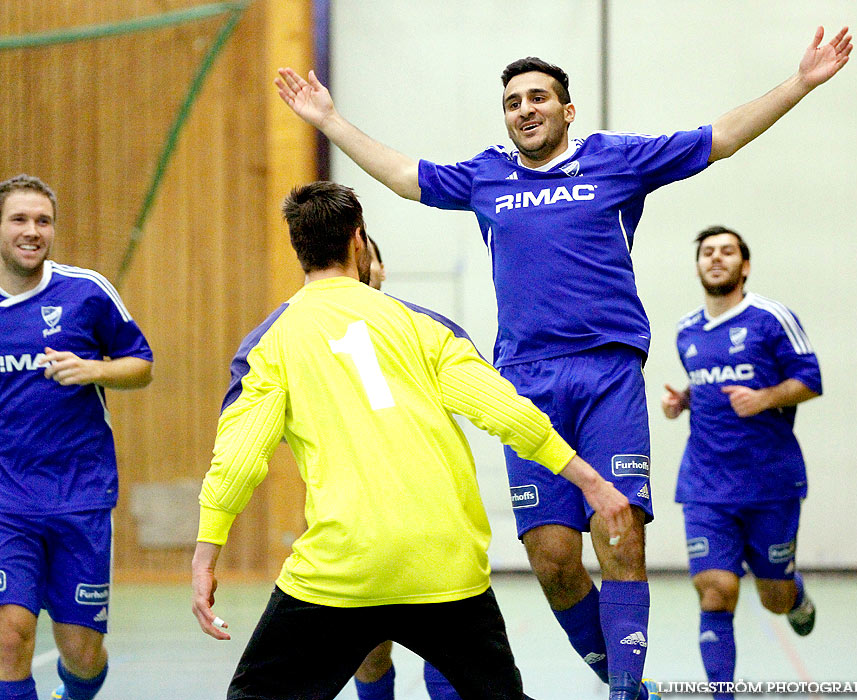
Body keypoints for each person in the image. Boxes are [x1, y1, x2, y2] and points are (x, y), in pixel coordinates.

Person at [273, 25, 851, 700]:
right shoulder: (486, 175)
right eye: (513, 101)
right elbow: (404, 177)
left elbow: (717, 138)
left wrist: (801, 82)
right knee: (553, 561)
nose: (524, 109)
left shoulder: (615, 160)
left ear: (566, 110)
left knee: (619, 539)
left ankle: (624, 692)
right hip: (525, 380)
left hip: (605, 374)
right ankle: (621, 677)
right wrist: (329, 120)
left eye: (538, 97)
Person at [190, 181, 632, 700]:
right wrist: (590, 481)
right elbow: (509, 414)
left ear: (297, 248)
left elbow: (239, 461)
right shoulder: (422, 325)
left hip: (342, 569)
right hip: (443, 564)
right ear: (359, 241)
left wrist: (206, 555)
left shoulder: (272, 342)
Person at [0, 175, 154, 700]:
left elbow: (142, 366)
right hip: (7, 504)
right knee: (10, 638)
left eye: (42, 221)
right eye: (19, 219)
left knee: (83, 655)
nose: (32, 231)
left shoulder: (85, 292)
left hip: (80, 498)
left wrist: (93, 370)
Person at [662, 226, 821, 700]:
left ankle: (793, 593)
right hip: (706, 483)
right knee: (715, 590)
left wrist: (766, 397)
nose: (716, 259)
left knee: (773, 600)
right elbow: (711, 385)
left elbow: (810, 380)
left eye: (727, 252)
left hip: (771, 482)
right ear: (697, 267)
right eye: (707, 253)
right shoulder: (686, 330)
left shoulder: (771, 318)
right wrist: (684, 401)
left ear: (744, 266)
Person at [351, 236, 459, 700]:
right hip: (357, 516)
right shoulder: (307, 332)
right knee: (370, 648)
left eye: (364, 260)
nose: (356, 270)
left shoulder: (422, 328)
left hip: (430, 509)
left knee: (447, 641)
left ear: (380, 268)